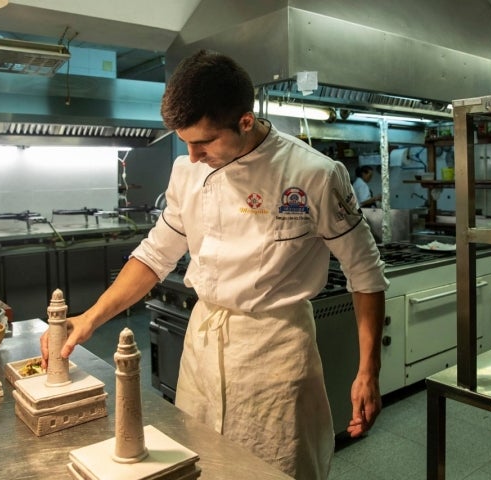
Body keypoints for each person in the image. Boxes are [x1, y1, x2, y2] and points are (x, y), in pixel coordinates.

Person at [40, 49, 388, 480]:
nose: (191, 156)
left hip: (275, 356)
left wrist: (367, 371)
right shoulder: (187, 172)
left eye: (203, 142)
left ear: (245, 121)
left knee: (274, 468)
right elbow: (154, 255)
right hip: (202, 351)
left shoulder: (313, 174)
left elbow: (365, 273)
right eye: (185, 141)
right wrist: (91, 318)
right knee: (201, 466)